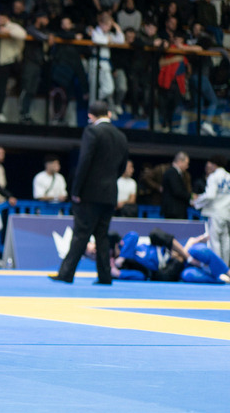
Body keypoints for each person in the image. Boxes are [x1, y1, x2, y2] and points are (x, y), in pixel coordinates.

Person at [50, 101, 129, 284]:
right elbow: (122, 166)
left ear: (90, 116)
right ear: (108, 114)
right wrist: (109, 182)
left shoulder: (92, 131)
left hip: (90, 194)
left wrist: (76, 190)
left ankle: (66, 273)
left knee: (81, 234)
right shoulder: (120, 136)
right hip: (109, 194)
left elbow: (84, 162)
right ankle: (105, 276)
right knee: (102, 235)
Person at [107, 230, 229, 284]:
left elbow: (133, 235)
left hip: (172, 253)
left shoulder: (127, 247)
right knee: (188, 275)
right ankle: (220, 279)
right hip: (174, 268)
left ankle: (228, 272)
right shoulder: (126, 266)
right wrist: (118, 274)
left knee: (198, 249)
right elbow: (141, 276)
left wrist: (121, 257)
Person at [191, 155, 230, 265]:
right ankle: (226, 267)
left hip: (216, 213)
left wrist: (197, 202)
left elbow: (210, 195)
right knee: (226, 241)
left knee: (215, 241)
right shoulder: (229, 177)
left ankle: (217, 268)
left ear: (214, 164)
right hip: (227, 213)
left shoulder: (213, 177)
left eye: (209, 163)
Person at [161, 151, 192, 220]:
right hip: (174, 211)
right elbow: (177, 191)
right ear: (180, 161)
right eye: (186, 163)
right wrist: (191, 196)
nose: (187, 167)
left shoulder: (175, 173)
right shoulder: (172, 172)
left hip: (175, 210)